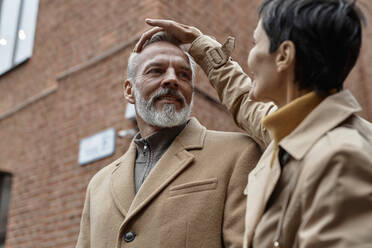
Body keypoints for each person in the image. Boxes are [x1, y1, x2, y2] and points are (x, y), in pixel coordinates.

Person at [135, 0, 372, 247]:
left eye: (256, 43)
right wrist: (199, 44)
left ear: (284, 56)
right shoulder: (297, 132)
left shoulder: (339, 157)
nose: (250, 57)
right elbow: (244, 101)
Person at [75, 32, 262, 248]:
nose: (172, 79)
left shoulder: (239, 153)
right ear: (129, 91)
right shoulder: (98, 184)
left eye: (184, 75)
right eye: (156, 71)